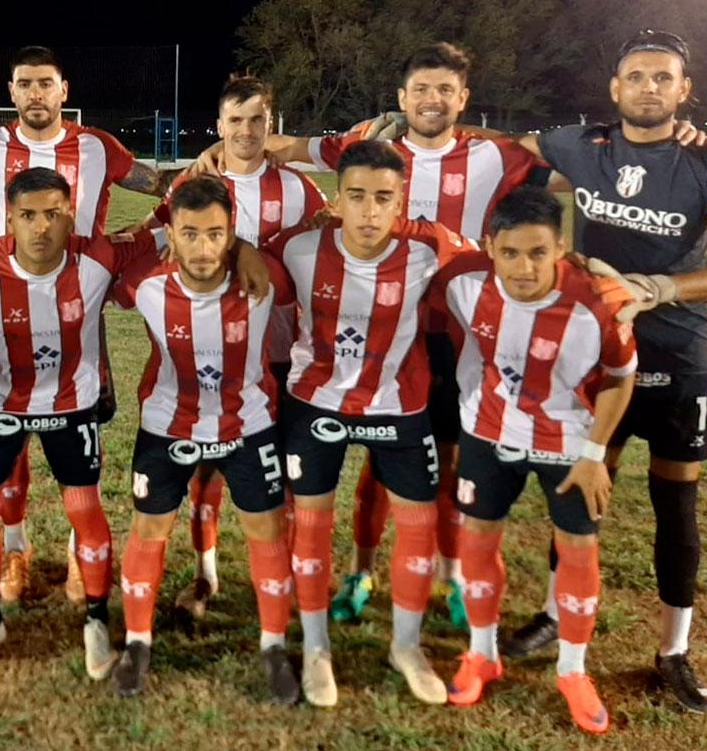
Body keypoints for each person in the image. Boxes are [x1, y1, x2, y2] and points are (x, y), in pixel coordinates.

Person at [229, 42, 551, 626]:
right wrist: (212, 153)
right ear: (401, 97)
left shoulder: (493, 154)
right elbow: (283, 144)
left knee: (442, 465)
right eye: (421, 89)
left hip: (456, 340)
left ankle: (450, 578)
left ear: (463, 98)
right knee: (380, 465)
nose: (432, 100)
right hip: (379, 332)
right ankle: (361, 570)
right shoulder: (366, 146)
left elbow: (569, 166)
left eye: (445, 90)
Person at [494, 31, 707, 715]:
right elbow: (505, 147)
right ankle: (557, 613)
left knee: (676, 503)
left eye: (662, 77)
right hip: (598, 354)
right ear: (614, 87)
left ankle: (673, 650)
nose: (648, 87)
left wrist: (658, 289)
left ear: (683, 89)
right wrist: (403, 128)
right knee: (580, 489)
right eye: (636, 76)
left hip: (679, 354)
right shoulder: (582, 145)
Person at [0, 46, 186, 604]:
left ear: (63, 90)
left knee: (81, 424)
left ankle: (79, 553)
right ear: (11, 92)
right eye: (25, 84)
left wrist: (191, 188)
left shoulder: (99, 146)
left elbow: (161, 184)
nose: (35, 94)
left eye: (45, 83)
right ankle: (16, 547)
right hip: (0, 299)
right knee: (7, 427)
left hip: (79, 298)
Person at [269, 141, 475, 707]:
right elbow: (240, 262)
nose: (368, 210)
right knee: (311, 526)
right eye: (356, 196)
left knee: (418, 527)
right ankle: (316, 648)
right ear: (336, 200)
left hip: (398, 405)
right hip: (316, 403)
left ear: (400, 202)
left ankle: (405, 646)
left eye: (382, 198)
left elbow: (499, 264)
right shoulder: (297, 248)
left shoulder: (430, 249)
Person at [432, 186, 637, 734]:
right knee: (478, 540)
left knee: (578, 549)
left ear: (562, 248)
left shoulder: (600, 301)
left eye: (538, 253)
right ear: (489, 247)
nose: (524, 268)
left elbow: (620, 378)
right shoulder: (461, 279)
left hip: (569, 443)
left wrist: (595, 454)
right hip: (487, 431)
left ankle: (572, 670)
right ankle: (482, 653)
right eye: (510, 253)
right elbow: (411, 237)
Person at [138, 74, 327, 624]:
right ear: (220, 125)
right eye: (236, 120)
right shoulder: (194, 182)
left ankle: (283, 573)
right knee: (206, 473)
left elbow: (321, 246)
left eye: (257, 119)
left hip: (283, 353)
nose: (246, 130)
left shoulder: (298, 189)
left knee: (282, 470)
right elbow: (158, 233)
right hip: (207, 354)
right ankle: (206, 574)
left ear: (271, 123)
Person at [110, 176, 297, 704]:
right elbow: (102, 267)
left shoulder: (265, 276)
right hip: (167, 425)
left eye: (215, 234)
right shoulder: (143, 284)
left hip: (248, 424)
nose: (203, 248)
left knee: (266, 530)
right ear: (171, 233)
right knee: (149, 529)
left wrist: (249, 250)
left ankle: (274, 646)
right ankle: (138, 642)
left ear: (231, 235)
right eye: (189, 234)